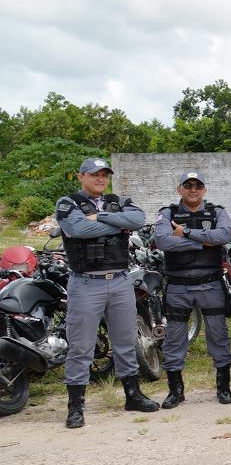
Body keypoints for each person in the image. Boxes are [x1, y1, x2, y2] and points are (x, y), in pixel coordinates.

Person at [56, 157, 156, 428]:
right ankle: (76, 406)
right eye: (94, 174)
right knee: (81, 347)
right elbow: (77, 228)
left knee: (126, 342)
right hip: (86, 283)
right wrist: (116, 224)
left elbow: (138, 219)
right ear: (81, 176)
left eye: (104, 174)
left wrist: (99, 216)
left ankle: (132, 395)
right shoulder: (68, 204)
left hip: (121, 281)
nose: (100, 178)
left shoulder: (118, 201)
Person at [154, 171, 231, 405]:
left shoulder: (217, 212)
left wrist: (187, 233)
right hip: (178, 286)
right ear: (179, 189)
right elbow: (163, 241)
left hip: (210, 283)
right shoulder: (167, 213)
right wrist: (204, 243)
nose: (193, 190)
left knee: (219, 335)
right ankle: (175, 391)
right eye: (187, 185)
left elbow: (224, 236)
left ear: (204, 190)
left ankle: (224, 388)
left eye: (198, 186)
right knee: (175, 339)